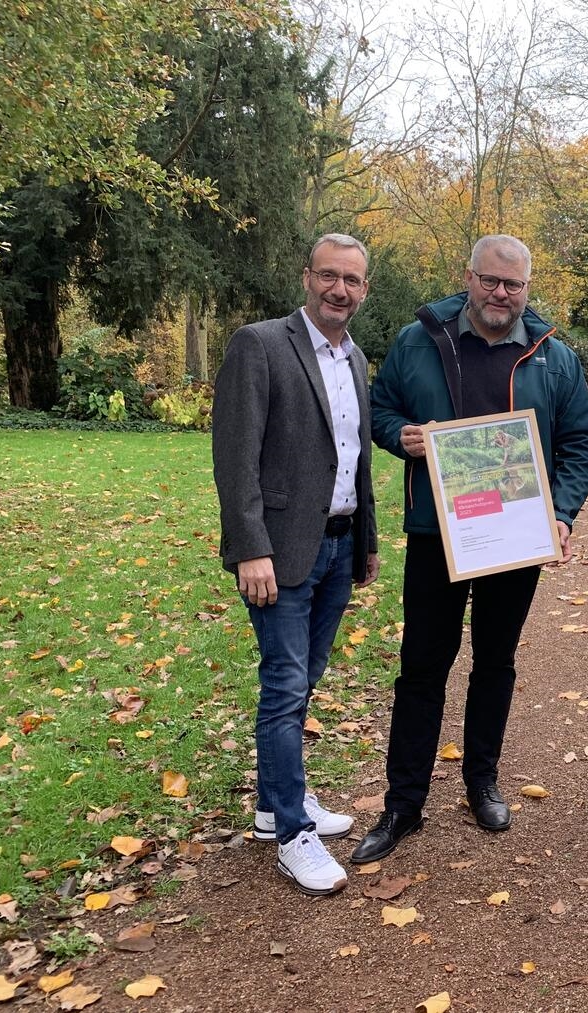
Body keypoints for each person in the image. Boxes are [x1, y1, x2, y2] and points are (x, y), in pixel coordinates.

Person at [352, 235, 588, 863]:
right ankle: (403, 804)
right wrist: (399, 436)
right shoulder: (419, 342)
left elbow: (578, 443)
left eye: (513, 285)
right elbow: (379, 410)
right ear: (469, 277)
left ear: (527, 288)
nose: (500, 294)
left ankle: (480, 782)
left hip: (514, 537)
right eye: (490, 281)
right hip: (438, 533)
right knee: (422, 668)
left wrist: (561, 513)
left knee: (496, 661)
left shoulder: (553, 357)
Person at [212, 233, 380, 896]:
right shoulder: (260, 345)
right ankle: (291, 834)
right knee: (285, 687)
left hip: (338, 546)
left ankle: (273, 803)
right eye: (330, 276)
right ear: (307, 276)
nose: (341, 289)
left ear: (364, 289)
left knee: (303, 680)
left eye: (354, 280)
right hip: (279, 551)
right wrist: (251, 545)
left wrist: (365, 538)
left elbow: (356, 455)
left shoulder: (357, 357)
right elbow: (235, 455)